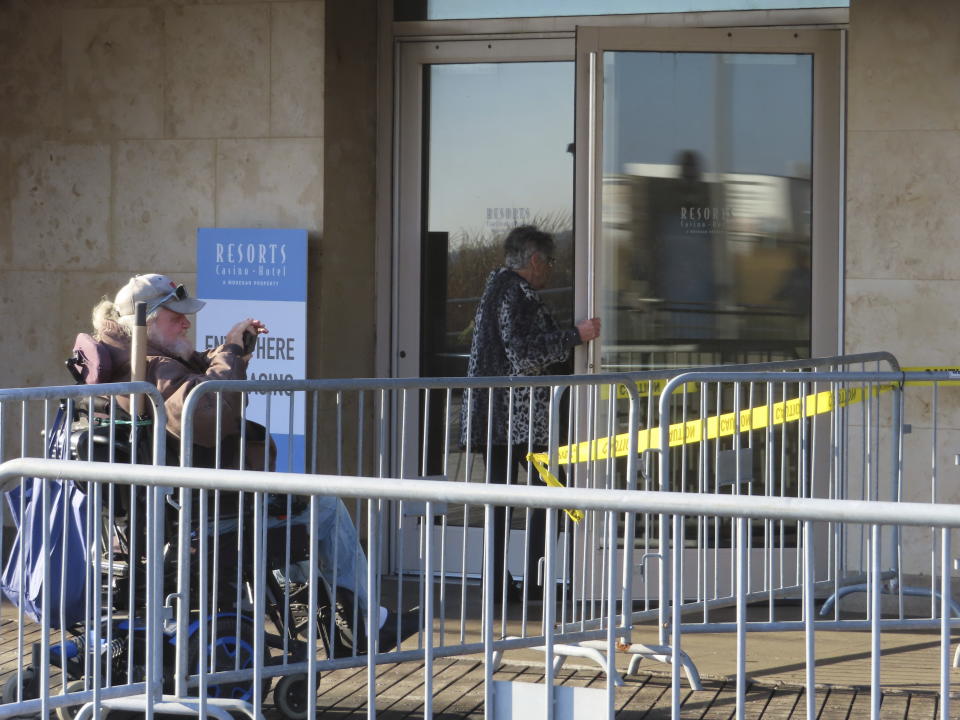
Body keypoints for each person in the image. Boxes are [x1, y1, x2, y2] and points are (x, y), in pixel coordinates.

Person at [90, 273, 414, 654]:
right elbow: (207, 416)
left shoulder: (131, 362)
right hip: (207, 514)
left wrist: (234, 348)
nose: (186, 321)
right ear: (148, 320)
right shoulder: (155, 367)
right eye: (176, 315)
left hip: (187, 510)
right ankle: (365, 624)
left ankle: (335, 617)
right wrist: (229, 352)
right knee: (322, 507)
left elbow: (193, 370)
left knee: (291, 508)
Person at [461, 225, 600, 605]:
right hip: (515, 420)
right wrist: (576, 336)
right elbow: (522, 355)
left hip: (497, 417)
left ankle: (500, 585)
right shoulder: (515, 294)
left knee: (507, 501)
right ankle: (532, 583)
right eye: (550, 261)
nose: (552, 270)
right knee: (553, 496)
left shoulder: (497, 289)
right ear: (535, 260)